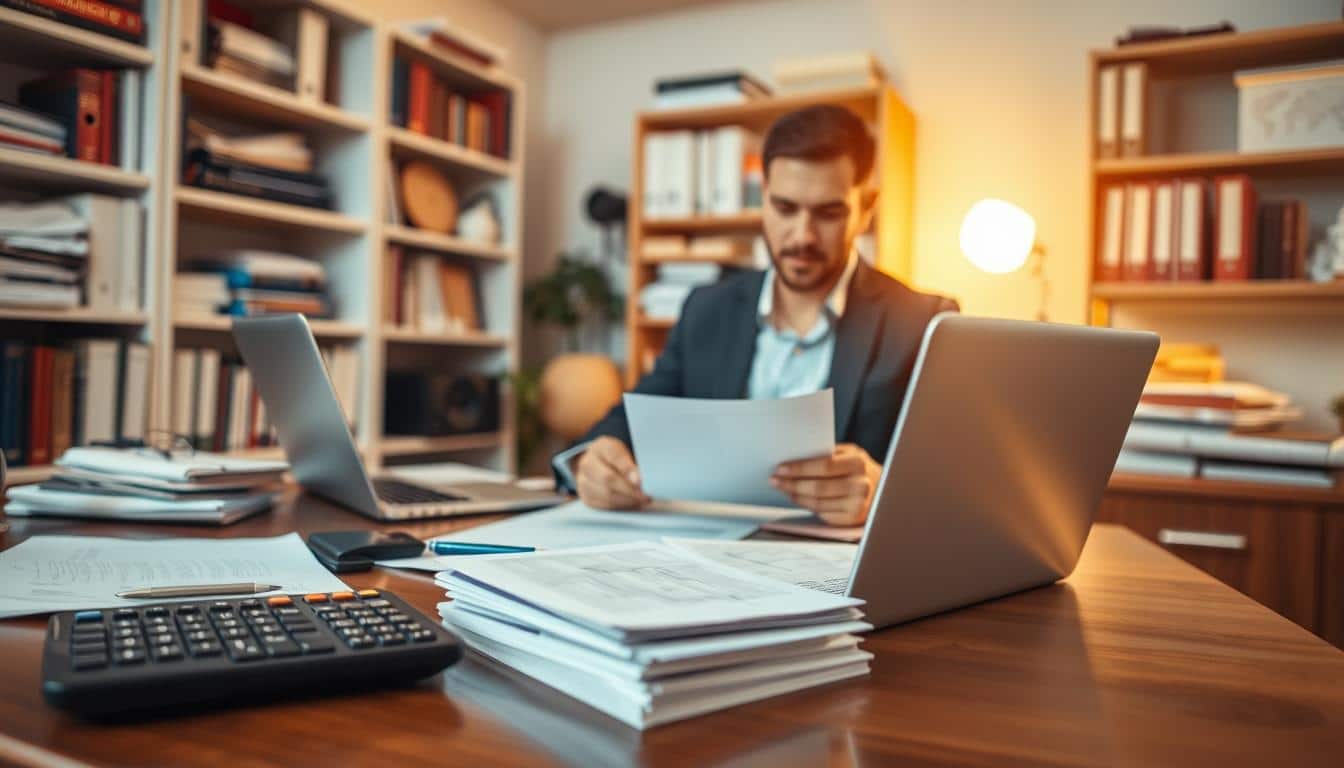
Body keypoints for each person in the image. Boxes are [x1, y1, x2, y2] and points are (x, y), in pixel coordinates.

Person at [553, 105, 957, 526]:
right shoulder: (705, 311)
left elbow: (958, 482)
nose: (802, 236)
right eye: (785, 208)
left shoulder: (925, 324)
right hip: (706, 557)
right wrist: (590, 463)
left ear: (866, 208)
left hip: (842, 571)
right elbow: (630, 420)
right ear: (762, 196)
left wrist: (883, 491)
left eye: (828, 213)